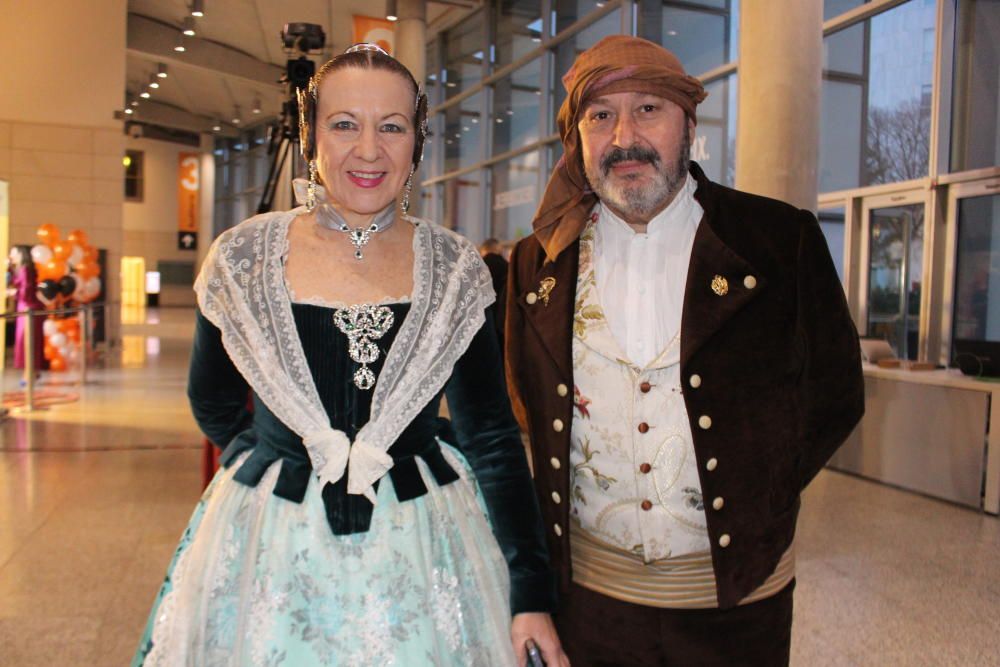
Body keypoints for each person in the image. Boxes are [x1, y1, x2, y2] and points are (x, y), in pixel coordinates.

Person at [134, 44, 566, 666]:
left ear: (417, 143)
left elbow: (493, 437)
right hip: (270, 543)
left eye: (392, 127)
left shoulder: (454, 268)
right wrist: (273, 461)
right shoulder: (244, 257)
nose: (369, 150)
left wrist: (530, 590)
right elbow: (213, 400)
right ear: (311, 139)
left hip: (425, 539)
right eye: (344, 125)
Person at [504, 35, 864, 666]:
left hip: (740, 605)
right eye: (601, 116)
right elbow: (522, 403)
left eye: (648, 109)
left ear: (688, 125)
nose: (623, 138)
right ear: (577, 137)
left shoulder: (778, 241)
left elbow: (835, 395)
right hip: (588, 607)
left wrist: (761, 494)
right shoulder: (538, 262)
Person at [7, 246, 45, 374]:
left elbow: (26, 290)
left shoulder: (25, 269)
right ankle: (32, 372)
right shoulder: (19, 269)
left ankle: (29, 372)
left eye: (13, 253)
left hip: (29, 307)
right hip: (24, 307)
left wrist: (14, 293)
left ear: (20, 254)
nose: (11, 256)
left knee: (26, 341)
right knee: (26, 340)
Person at [479, 238, 508, 350]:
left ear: (483, 250)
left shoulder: (478, 268)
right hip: (503, 325)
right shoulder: (509, 267)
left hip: (483, 324)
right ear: (499, 250)